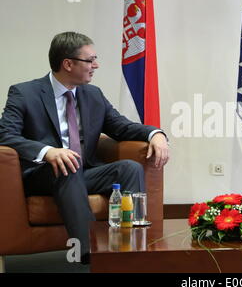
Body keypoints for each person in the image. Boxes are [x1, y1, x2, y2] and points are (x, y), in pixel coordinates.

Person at [0, 32, 169, 263]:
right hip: (42, 173)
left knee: (129, 168)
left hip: (84, 171)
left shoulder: (93, 94)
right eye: (90, 60)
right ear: (68, 64)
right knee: (67, 165)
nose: (96, 65)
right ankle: (90, 253)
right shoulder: (25, 93)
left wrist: (155, 133)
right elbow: (5, 135)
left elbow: (121, 127)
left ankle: (130, 248)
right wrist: (47, 152)